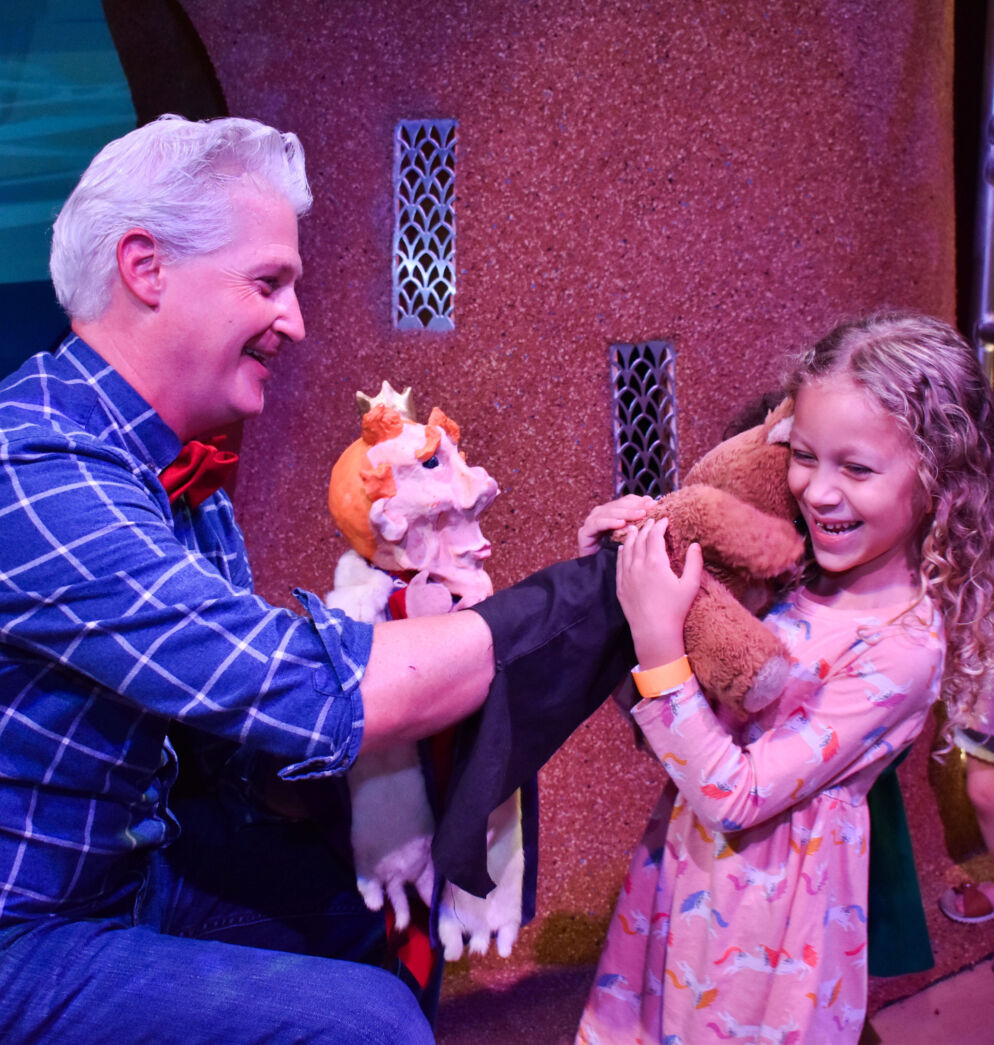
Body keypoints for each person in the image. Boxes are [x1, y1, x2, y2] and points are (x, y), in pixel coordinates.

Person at [0, 113, 506, 1045]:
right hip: (24, 931)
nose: (296, 322)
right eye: (268, 282)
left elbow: (230, 738)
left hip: (134, 875)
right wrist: (553, 619)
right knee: (366, 1025)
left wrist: (416, 616)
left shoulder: (179, 468)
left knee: (372, 911)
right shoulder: (32, 469)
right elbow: (291, 687)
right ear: (146, 269)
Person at [573, 312, 994, 1044]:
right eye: (804, 455)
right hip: (686, 879)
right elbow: (673, 730)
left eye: (855, 468)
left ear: (939, 478)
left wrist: (654, 636)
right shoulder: (789, 570)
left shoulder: (902, 645)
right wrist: (614, 589)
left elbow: (737, 795)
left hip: (765, 939)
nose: (818, 491)